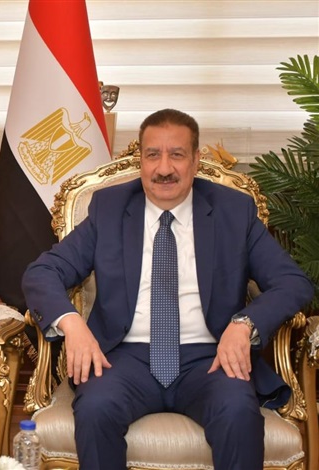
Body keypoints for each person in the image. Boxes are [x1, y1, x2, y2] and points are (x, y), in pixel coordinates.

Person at [22, 108, 313, 469]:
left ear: (196, 160)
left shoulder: (234, 211)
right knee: (96, 409)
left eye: (176, 154)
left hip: (211, 357)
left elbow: (292, 282)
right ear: (140, 161)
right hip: (122, 358)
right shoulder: (109, 209)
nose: (164, 168)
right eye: (152, 155)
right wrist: (72, 323)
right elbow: (43, 272)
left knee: (238, 411)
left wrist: (244, 325)